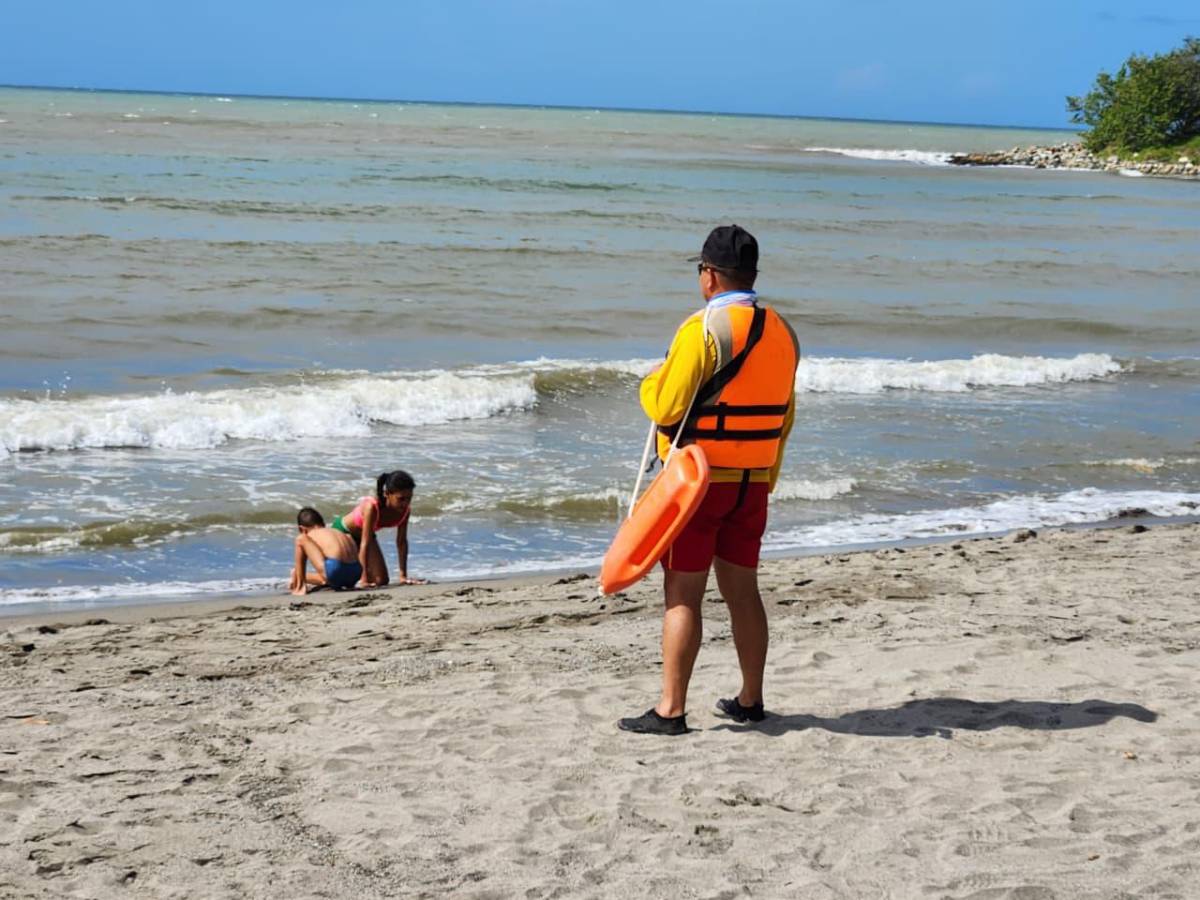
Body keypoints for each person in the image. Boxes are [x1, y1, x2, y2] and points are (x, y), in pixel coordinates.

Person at [618, 224, 799, 736]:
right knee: (743, 590)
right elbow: (785, 415)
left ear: (710, 276)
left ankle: (671, 710)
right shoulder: (783, 332)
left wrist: (649, 381)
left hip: (698, 485)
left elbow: (667, 405)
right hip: (753, 481)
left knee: (683, 594)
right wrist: (766, 477)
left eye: (700, 270)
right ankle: (750, 698)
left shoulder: (703, 330)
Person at [330, 470, 426, 587]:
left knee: (381, 580)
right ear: (387, 494)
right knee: (338, 577)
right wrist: (363, 579)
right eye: (401, 499)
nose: (405, 503)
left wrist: (403, 576)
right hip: (342, 532)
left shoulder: (405, 511)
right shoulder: (372, 507)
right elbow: (365, 543)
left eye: (409, 498)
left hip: (365, 536)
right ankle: (308, 578)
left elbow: (401, 542)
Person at [288, 506, 363, 595]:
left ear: (302, 529)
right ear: (323, 524)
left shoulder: (310, 533)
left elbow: (302, 538)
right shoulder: (338, 532)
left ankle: (300, 586)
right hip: (355, 573)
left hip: (336, 570)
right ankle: (298, 575)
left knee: (301, 539)